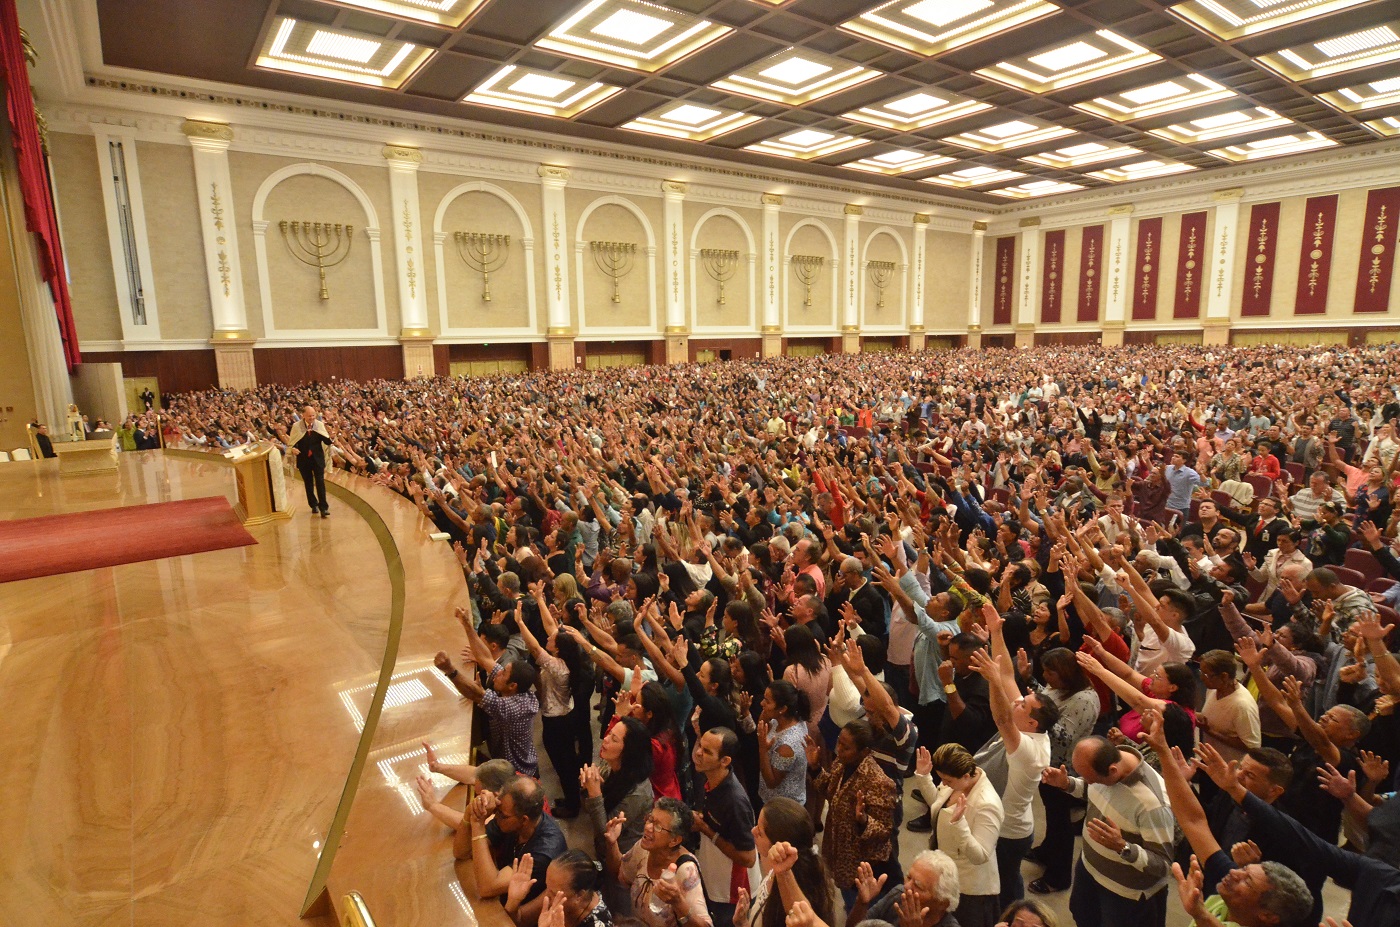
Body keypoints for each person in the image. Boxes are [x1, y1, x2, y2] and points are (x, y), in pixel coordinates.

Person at [1041, 736, 1175, 927]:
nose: (1087, 781)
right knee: (1081, 915)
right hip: (1089, 870)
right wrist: (1067, 783)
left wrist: (1122, 847)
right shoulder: (1107, 769)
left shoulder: (1152, 805)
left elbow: (1163, 865)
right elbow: (1092, 788)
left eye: (1089, 777)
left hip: (1124, 893)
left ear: (1112, 771)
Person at [910, 743, 1004, 927]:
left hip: (969, 888)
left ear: (966, 776)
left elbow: (980, 856)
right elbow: (938, 805)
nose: (944, 784)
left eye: (947, 781)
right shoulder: (958, 782)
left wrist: (960, 825)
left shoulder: (987, 805)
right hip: (946, 874)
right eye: (941, 779)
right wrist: (923, 777)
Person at [809, 719, 897, 908]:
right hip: (839, 855)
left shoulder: (879, 782)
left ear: (864, 752)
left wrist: (863, 821)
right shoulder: (841, 764)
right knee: (848, 899)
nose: (838, 748)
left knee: (859, 909)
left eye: (845, 746)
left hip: (861, 865)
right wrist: (815, 768)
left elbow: (884, 830)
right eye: (839, 741)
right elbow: (830, 792)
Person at [465, 776, 568, 927]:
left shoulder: (544, 851)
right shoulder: (510, 819)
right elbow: (461, 852)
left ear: (524, 820)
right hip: (502, 904)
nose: (496, 816)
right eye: (497, 811)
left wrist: (477, 823)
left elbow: (487, 887)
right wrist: (472, 810)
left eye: (501, 814)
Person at [602, 796, 711, 927]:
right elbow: (619, 874)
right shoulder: (643, 849)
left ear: (674, 840)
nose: (648, 827)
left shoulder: (686, 870)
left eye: (658, 826)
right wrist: (612, 844)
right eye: (650, 820)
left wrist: (678, 902)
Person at [690, 727, 759, 927]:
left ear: (725, 761)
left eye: (707, 751)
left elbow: (748, 858)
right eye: (700, 746)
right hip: (715, 878)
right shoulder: (711, 781)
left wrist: (705, 829)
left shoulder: (735, 802)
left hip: (732, 892)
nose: (698, 753)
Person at [435, 648, 540, 778]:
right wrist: (468, 628)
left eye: (504, 673)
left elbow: (476, 694)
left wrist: (449, 670)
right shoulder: (522, 692)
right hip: (523, 764)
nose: (498, 673)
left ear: (512, 686)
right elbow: (487, 661)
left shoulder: (511, 708)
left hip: (517, 775)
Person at [736, 797, 835, 927]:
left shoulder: (789, 895)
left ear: (779, 845)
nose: (752, 831)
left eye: (760, 832)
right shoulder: (773, 872)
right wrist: (743, 923)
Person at [847, 850, 961, 927]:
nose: (906, 887)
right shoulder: (898, 895)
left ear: (942, 903)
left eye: (918, 885)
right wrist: (862, 903)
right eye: (908, 877)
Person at [506, 849, 611, 927]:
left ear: (579, 896)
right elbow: (520, 921)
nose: (547, 895)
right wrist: (513, 901)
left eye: (553, 893)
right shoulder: (553, 891)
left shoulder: (598, 924)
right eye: (547, 887)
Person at [286, 404, 333, 516]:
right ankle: (313, 504)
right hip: (304, 459)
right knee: (308, 483)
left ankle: (324, 507)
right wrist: (293, 449)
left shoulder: (319, 425)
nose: (311, 418)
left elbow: (326, 442)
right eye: (309, 416)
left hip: (317, 459)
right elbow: (293, 443)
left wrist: (331, 436)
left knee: (320, 482)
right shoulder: (297, 426)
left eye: (313, 415)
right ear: (303, 416)